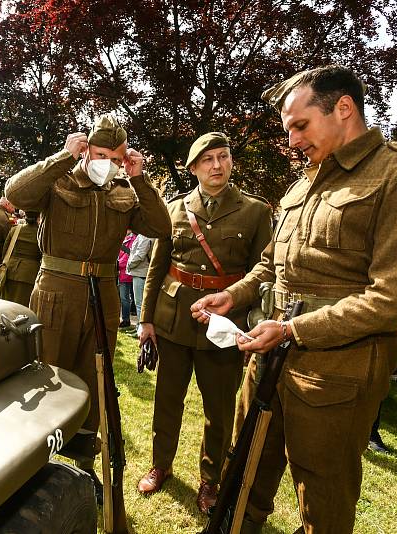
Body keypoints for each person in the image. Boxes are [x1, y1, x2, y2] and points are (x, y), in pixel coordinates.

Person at [191, 66, 397, 533]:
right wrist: (231, 296)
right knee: (244, 470)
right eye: (288, 129)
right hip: (269, 355)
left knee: (322, 495)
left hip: (336, 374)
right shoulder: (302, 184)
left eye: (300, 125)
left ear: (343, 108)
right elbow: (271, 263)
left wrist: (295, 329)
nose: (292, 141)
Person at [4, 113, 171, 497]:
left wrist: (140, 178)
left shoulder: (124, 190)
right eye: (99, 155)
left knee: (95, 378)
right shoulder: (58, 179)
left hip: (105, 293)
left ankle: (84, 463)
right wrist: (62, 157)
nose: (107, 165)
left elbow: (161, 227)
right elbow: (16, 193)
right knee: (45, 376)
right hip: (56, 289)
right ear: (84, 150)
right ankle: (33, 464)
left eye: (116, 158)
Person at [134, 132, 272, 513]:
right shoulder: (175, 209)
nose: (217, 165)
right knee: (167, 402)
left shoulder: (255, 211)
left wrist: (246, 312)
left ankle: (210, 481)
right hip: (175, 322)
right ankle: (161, 465)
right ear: (193, 168)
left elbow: (264, 268)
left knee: (219, 410)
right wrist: (147, 320)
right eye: (208, 159)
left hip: (224, 324)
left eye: (223, 157)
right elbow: (158, 267)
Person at [0, 211, 42, 307]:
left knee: (6, 304)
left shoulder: (15, 230)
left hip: (10, 271)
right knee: (22, 307)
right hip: (29, 274)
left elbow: (5, 251)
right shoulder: (40, 233)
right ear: (39, 218)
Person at [126, 233, 153, 334]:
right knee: (140, 304)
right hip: (141, 272)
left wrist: (129, 264)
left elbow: (140, 255)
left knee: (140, 304)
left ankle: (140, 330)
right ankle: (138, 327)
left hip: (141, 272)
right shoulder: (143, 235)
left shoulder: (146, 236)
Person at [117, 230, 138, 329]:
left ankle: (126, 320)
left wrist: (117, 264)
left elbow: (127, 257)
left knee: (124, 298)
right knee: (123, 297)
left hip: (125, 273)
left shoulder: (133, 239)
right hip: (121, 273)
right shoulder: (124, 238)